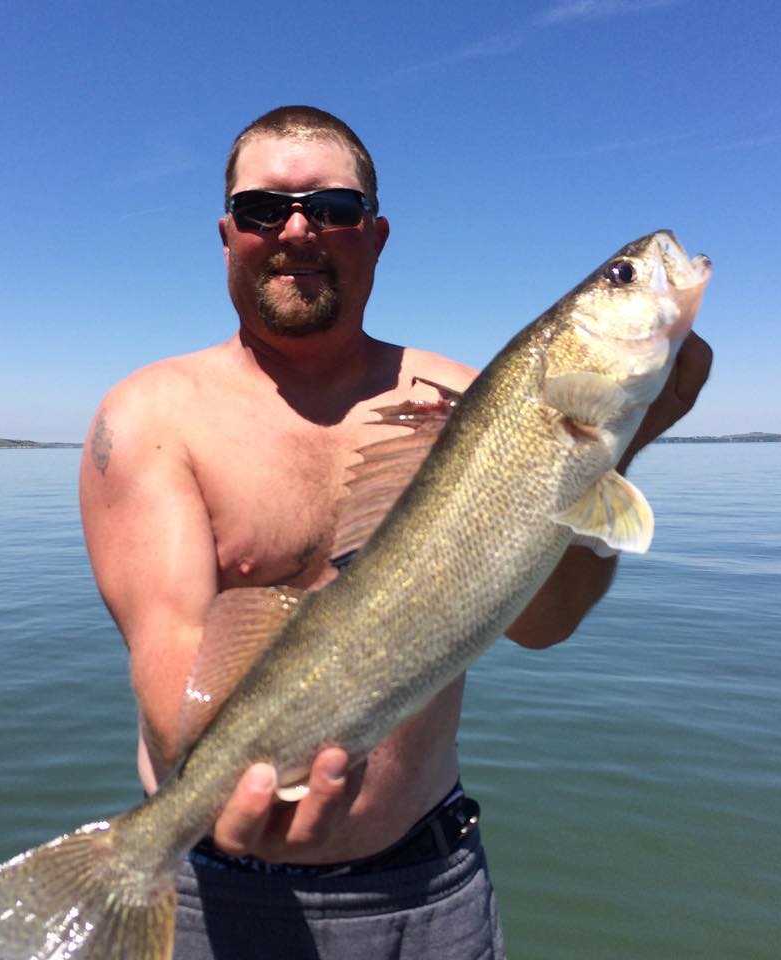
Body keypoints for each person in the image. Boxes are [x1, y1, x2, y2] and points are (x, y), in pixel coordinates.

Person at [79, 105, 712, 959]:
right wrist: (216, 806)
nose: (298, 229)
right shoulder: (150, 417)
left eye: (332, 209)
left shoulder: (462, 398)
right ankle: (122, 869)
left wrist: (615, 452)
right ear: (228, 234)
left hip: (429, 890)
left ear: (374, 236)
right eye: (266, 210)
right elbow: (175, 658)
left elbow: (544, 621)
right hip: (211, 894)